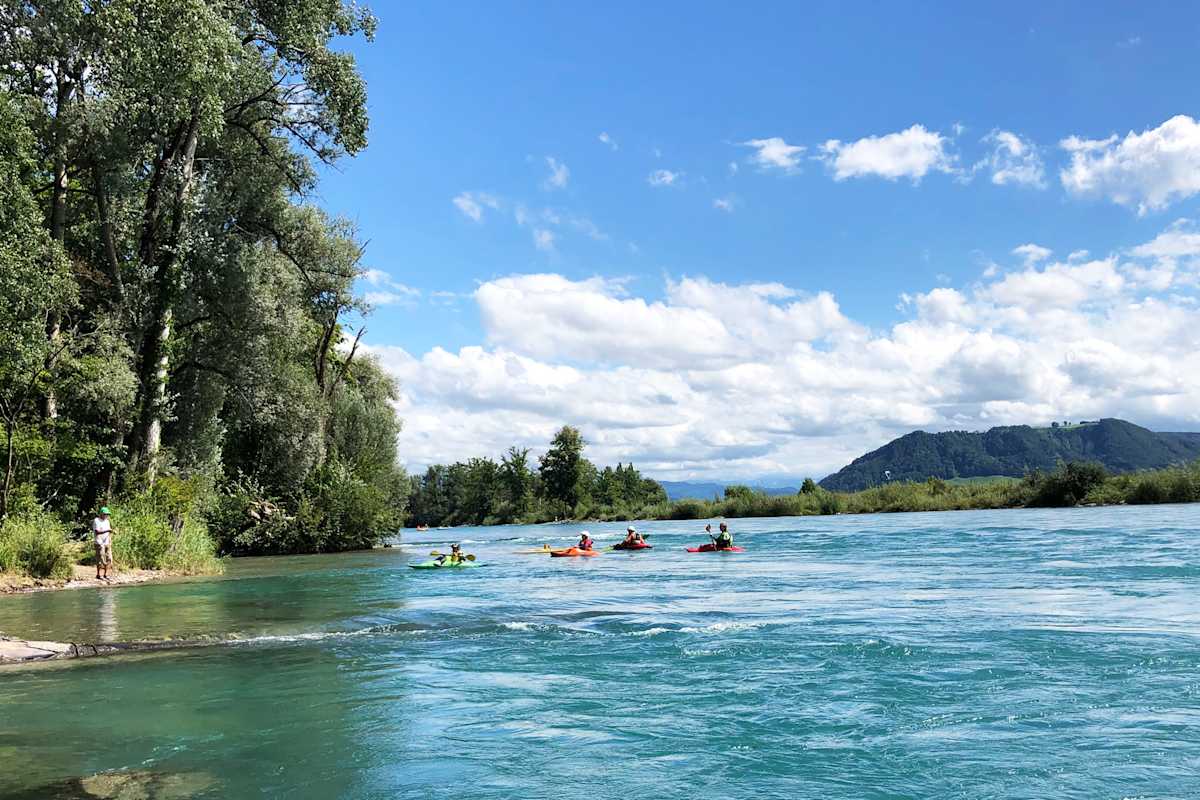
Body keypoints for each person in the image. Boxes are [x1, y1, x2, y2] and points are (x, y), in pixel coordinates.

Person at [92, 507, 114, 580]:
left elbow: (109, 532)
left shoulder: (107, 521)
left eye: (107, 514)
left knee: (109, 558)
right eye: (105, 514)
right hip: (99, 542)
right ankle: (98, 574)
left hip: (107, 542)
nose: (106, 515)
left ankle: (105, 574)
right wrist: (108, 530)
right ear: (101, 514)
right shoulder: (96, 520)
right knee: (100, 559)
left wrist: (110, 540)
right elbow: (97, 532)